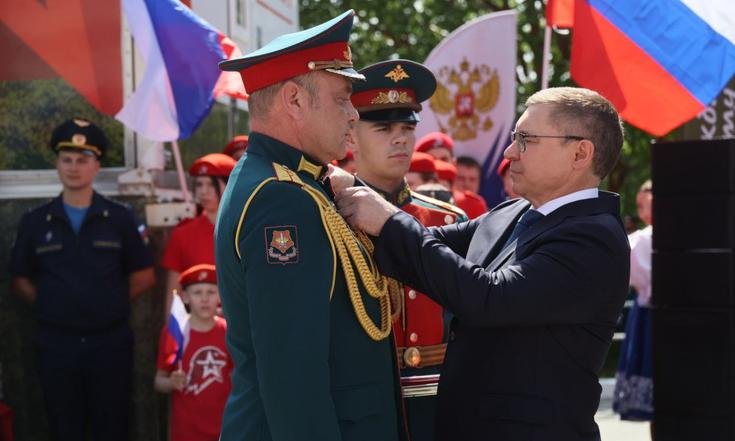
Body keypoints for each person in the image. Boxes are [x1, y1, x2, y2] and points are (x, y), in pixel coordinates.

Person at [335, 87, 630, 440]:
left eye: (526, 140)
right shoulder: (516, 211)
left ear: (580, 153)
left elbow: (489, 298)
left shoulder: (593, 238)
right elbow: (430, 244)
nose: (509, 152)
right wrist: (352, 188)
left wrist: (386, 220)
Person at [214, 10, 406, 441]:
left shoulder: (292, 182)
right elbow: (292, 375)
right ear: (295, 101)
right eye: (342, 99)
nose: (354, 114)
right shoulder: (282, 199)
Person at [8, 118, 155, 441]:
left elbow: (144, 276)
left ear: (97, 166)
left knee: (112, 426)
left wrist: (107, 303)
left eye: (82, 160)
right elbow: (20, 281)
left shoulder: (119, 219)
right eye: (67, 159)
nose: (73, 167)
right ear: (58, 164)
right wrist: (53, 305)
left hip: (109, 343)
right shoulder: (35, 222)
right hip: (56, 344)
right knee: (63, 426)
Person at [348, 59, 467, 441]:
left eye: (406, 127)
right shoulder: (331, 218)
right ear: (351, 133)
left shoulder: (448, 221)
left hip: (442, 398)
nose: (400, 138)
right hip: (366, 399)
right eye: (383, 127)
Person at [155, 264, 233, 441]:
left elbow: (239, 378)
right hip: (186, 433)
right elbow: (158, 381)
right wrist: (171, 382)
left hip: (224, 431)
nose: (204, 299)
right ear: (185, 297)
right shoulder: (174, 333)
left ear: (220, 295)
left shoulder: (229, 332)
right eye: (197, 293)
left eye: (211, 292)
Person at [161, 152, 236, 317]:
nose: (203, 192)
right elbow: (173, 296)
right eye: (199, 184)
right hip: (197, 329)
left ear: (230, 184)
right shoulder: (182, 234)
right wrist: (172, 340)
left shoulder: (245, 231)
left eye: (211, 184)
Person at [613, 180, 654, 429]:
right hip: (648, 315)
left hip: (651, 316)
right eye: (640, 206)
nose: (644, 212)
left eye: (648, 204)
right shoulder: (642, 239)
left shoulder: (644, 239)